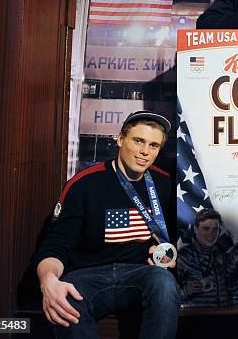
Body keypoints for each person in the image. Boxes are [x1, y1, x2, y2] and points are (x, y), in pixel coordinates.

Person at [33, 111, 180, 339]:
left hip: (139, 275)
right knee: (67, 296)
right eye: (138, 141)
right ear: (120, 139)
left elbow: (172, 236)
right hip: (87, 276)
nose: (145, 152)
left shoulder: (163, 183)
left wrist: (164, 252)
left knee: (164, 282)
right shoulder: (84, 184)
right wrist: (48, 280)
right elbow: (55, 246)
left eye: (153, 145)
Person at [177, 208, 229, 307]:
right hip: (194, 318)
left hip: (224, 317)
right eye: (206, 228)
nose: (211, 234)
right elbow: (166, 294)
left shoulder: (223, 255)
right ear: (196, 229)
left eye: (215, 229)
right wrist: (185, 291)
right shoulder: (184, 257)